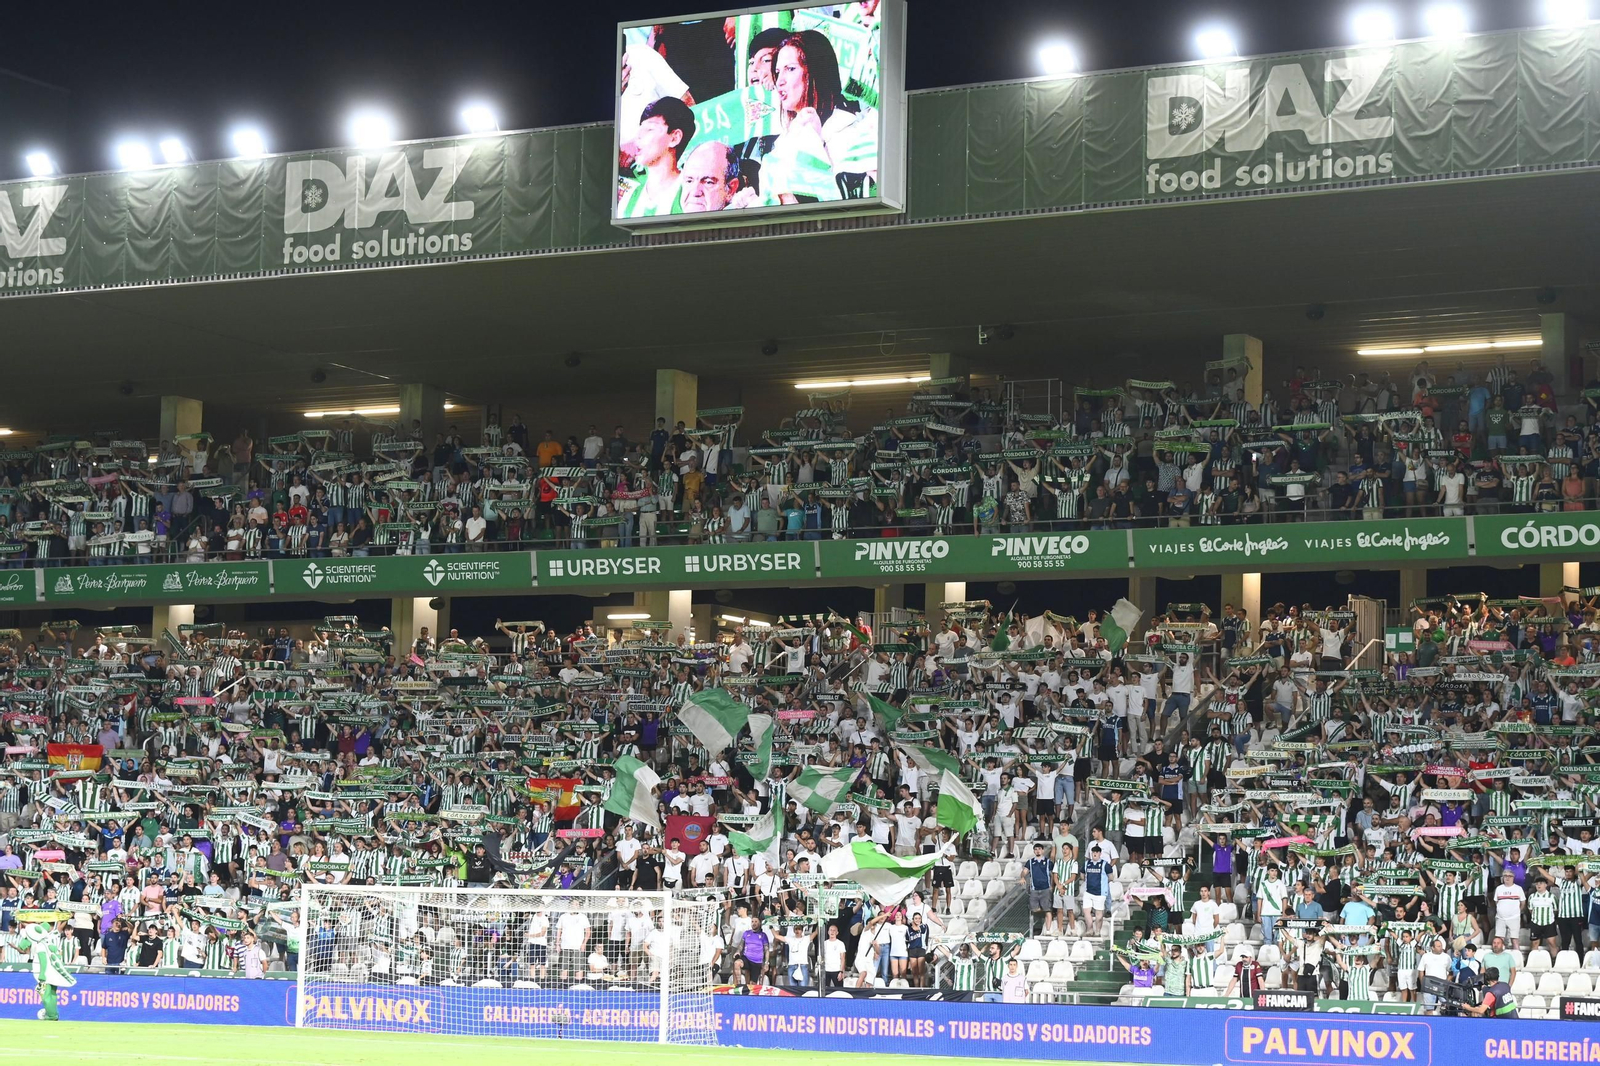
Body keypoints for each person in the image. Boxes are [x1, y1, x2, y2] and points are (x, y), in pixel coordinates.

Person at [20, 922, 75, 1021]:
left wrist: (42, 974)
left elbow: (43, 960)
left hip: (47, 974)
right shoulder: (47, 942)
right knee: (52, 994)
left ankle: (51, 1015)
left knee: (46, 996)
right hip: (53, 972)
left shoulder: (40, 946)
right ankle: (54, 1014)